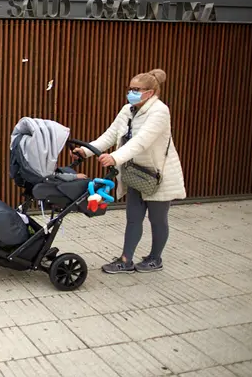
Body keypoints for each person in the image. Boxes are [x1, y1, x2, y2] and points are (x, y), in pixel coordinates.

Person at [72, 69, 186, 274]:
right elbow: (110, 135)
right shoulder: (128, 110)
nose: (131, 92)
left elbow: (142, 141)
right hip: (135, 173)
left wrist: (115, 157)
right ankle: (125, 260)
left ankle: (155, 258)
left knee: (157, 219)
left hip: (157, 175)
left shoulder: (160, 111)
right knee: (133, 218)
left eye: (137, 89)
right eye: (130, 88)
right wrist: (86, 150)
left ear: (150, 92)